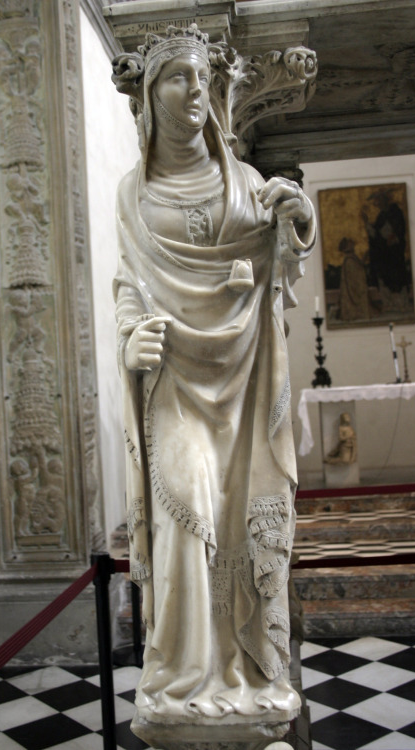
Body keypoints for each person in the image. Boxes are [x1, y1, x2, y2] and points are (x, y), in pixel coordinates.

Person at [111, 25, 316, 729]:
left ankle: (243, 671)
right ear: (150, 93)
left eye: (202, 79)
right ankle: (179, 679)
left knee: (236, 522)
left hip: (244, 384)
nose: (196, 92)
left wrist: (298, 223)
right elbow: (126, 287)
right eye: (178, 78)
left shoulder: (245, 182)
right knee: (188, 504)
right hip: (173, 379)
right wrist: (128, 339)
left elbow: (278, 268)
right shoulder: (133, 195)